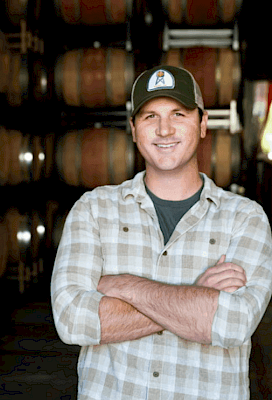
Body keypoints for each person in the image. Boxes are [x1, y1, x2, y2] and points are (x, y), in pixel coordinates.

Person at [51, 65, 272, 399]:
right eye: (150, 117)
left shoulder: (245, 218)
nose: (164, 129)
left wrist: (124, 287)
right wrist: (195, 296)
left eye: (178, 114)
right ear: (134, 129)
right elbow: (72, 321)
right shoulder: (93, 209)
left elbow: (231, 324)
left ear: (202, 124)